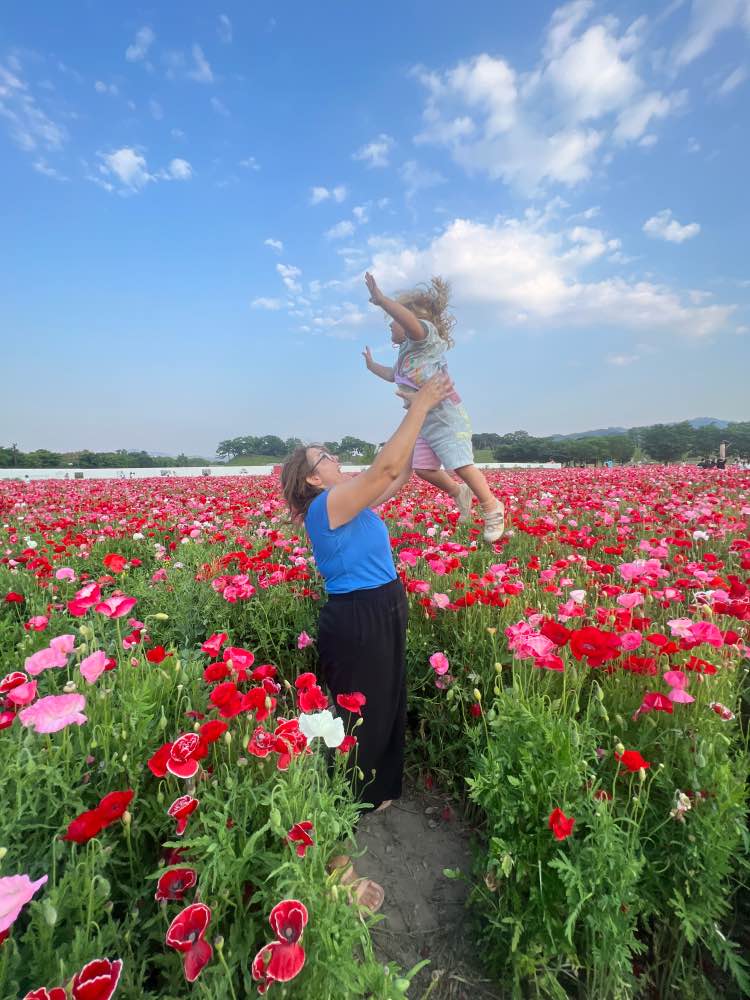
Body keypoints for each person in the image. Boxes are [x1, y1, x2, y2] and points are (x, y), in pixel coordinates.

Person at [281, 372, 453, 910]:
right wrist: (420, 405)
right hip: (355, 618)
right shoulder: (323, 508)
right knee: (349, 721)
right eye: (323, 457)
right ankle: (332, 848)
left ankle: (369, 795)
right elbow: (383, 469)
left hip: (382, 605)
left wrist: (426, 423)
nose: (333, 459)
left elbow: (395, 473)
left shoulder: (350, 502)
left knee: (385, 705)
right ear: (310, 481)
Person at [363, 272, 505, 543]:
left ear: (408, 319)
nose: (391, 324)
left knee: (460, 464)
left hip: (446, 416)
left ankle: (491, 506)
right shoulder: (407, 354)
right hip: (423, 421)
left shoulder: (423, 338)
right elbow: (392, 375)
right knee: (423, 469)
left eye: (394, 319)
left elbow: (409, 321)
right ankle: (458, 492)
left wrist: (382, 300)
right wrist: (371, 367)